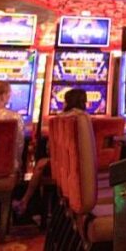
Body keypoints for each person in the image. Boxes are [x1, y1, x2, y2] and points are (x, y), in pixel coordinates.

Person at [13, 87, 88, 216]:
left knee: (41, 163)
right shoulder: (87, 118)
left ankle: (26, 202)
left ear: (67, 102)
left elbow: (50, 148)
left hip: (67, 163)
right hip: (88, 164)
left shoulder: (61, 119)